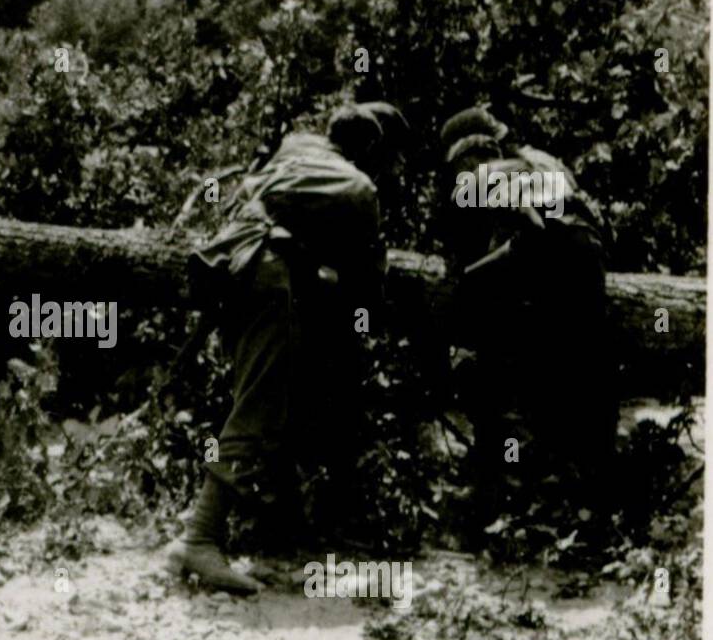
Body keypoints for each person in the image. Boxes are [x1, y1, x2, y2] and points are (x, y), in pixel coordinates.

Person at [169, 102, 409, 593]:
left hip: (229, 268)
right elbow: (367, 285)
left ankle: (274, 520)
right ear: (370, 150)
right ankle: (200, 538)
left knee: (265, 397)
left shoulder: (293, 151)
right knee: (258, 405)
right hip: (265, 277)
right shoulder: (360, 189)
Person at [436, 107, 615, 524]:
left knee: (512, 371)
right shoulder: (543, 159)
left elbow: (531, 229)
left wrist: (473, 279)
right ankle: (585, 497)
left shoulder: (489, 173)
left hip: (556, 262)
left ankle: (506, 489)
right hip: (587, 258)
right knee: (586, 376)